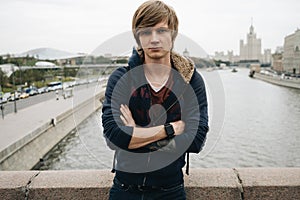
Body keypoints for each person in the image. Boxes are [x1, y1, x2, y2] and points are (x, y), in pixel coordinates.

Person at [102, 1, 209, 199]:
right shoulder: (121, 79)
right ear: (138, 37)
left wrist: (136, 134)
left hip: (170, 191)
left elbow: (196, 140)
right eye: (146, 32)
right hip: (124, 190)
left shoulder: (190, 80)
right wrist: (170, 129)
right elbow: (114, 136)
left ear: (173, 35)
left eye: (161, 31)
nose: (154, 39)